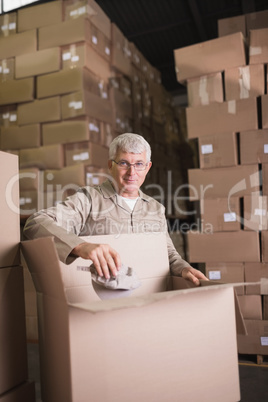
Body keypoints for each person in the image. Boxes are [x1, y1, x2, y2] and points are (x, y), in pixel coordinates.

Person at [23, 133, 208, 285]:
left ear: (148, 167)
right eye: (124, 163)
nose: (131, 172)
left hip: (149, 299)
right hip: (101, 300)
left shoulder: (155, 208)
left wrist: (185, 268)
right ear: (111, 165)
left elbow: (168, 254)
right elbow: (36, 223)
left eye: (139, 164)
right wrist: (80, 246)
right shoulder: (89, 199)